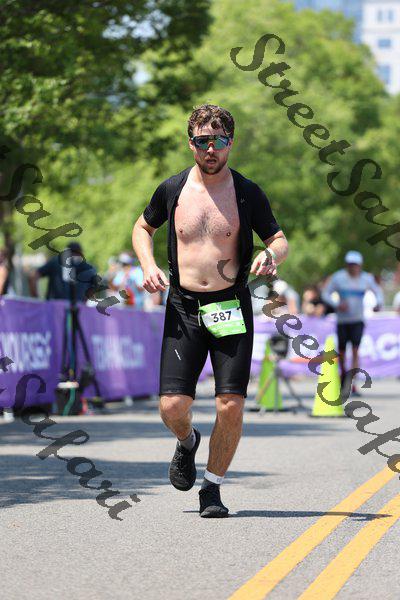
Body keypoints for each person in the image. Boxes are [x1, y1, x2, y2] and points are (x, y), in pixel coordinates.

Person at [132, 104, 288, 517]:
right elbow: (143, 228)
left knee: (230, 404)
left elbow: (279, 239)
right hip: (183, 308)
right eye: (203, 141)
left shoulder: (247, 192)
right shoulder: (173, 189)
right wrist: (147, 266)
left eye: (218, 140)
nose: (211, 149)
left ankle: (212, 488)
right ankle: (187, 442)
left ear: (230, 143)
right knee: (172, 407)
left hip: (229, 306)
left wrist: (271, 255)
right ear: (191, 144)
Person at [321, 251, 384, 396]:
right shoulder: (338, 278)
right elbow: (325, 293)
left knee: (355, 350)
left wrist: (378, 304)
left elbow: (378, 292)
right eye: (350, 265)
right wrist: (337, 304)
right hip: (343, 321)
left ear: (360, 266)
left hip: (358, 320)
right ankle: (343, 375)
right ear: (346, 265)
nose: (352, 267)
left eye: (355, 265)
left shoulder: (366, 278)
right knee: (342, 351)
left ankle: (352, 382)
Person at [29, 242, 97, 302]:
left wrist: (36, 299)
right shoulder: (89, 268)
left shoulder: (55, 262)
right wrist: (83, 303)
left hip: (54, 306)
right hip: (77, 308)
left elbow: (33, 276)